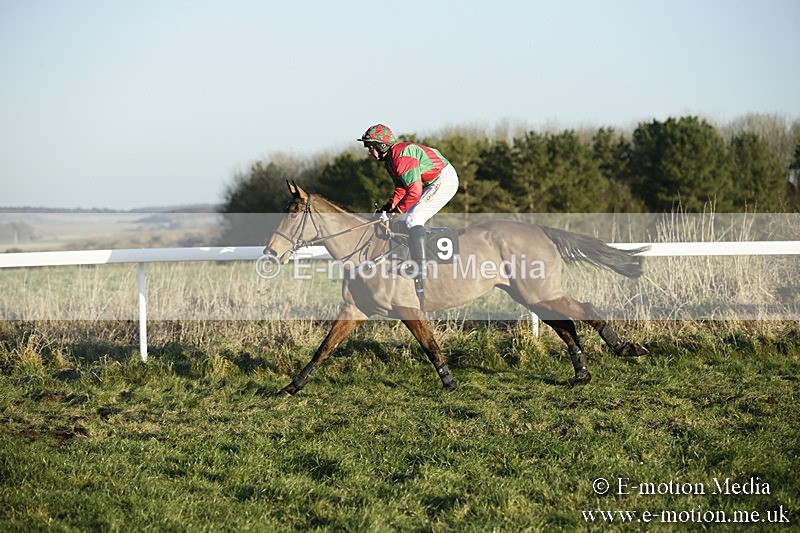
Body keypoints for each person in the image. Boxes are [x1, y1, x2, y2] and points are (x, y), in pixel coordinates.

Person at [357, 123, 459, 306]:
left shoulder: (400, 159)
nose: (368, 151)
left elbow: (413, 192)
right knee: (408, 218)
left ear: (382, 145)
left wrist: (395, 213)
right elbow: (401, 189)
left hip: (444, 180)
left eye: (370, 146)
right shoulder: (390, 162)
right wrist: (387, 208)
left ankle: (420, 267)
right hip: (430, 182)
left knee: (413, 218)